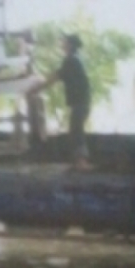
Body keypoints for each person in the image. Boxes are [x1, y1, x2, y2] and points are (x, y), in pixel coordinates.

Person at [27, 33, 92, 170]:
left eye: (64, 42)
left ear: (70, 45)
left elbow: (55, 77)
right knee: (75, 130)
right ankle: (79, 162)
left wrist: (35, 89)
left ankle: (81, 162)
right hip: (81, 102)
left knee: (76, 130)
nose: (62, 44)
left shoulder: (71, 61)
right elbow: (56, 75)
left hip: (80, 102)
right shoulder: (74, 60)